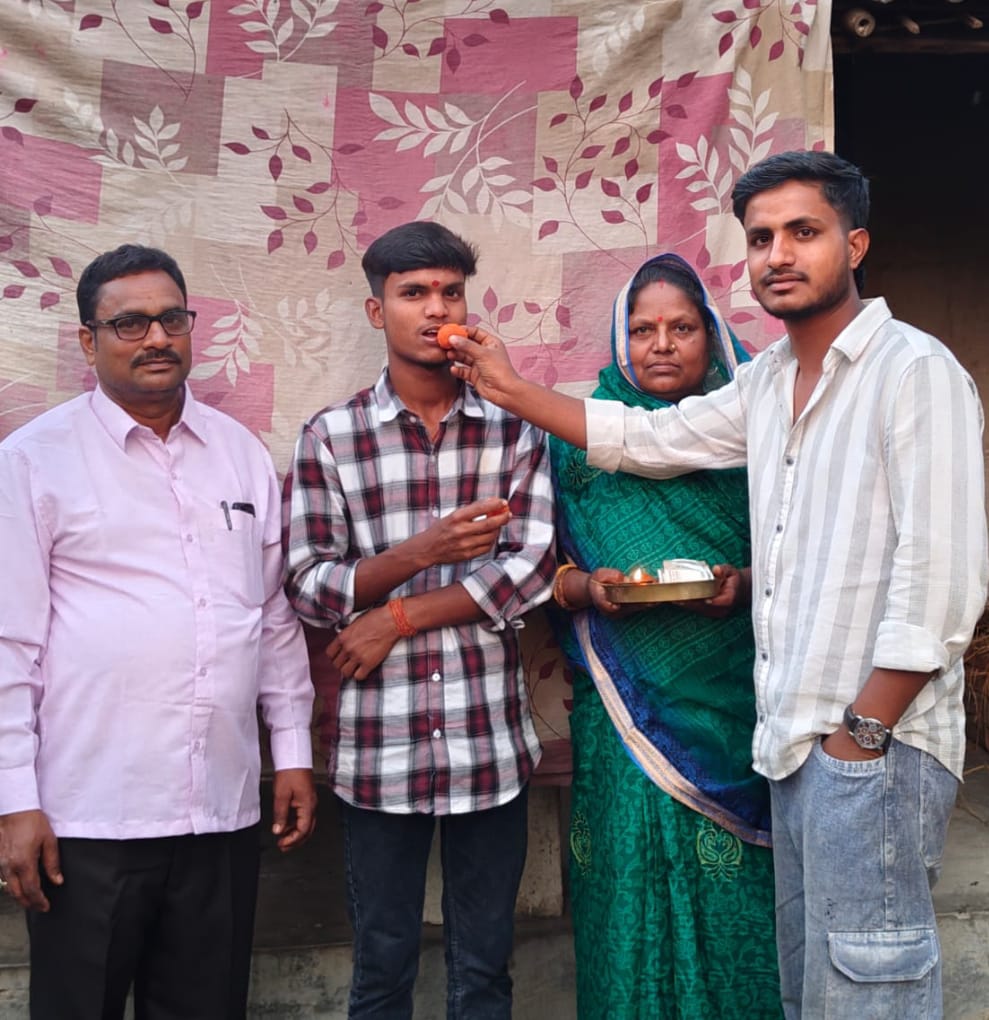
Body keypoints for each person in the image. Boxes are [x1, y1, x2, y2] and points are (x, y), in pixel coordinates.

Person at [446, 151, 988, 1019]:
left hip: (869, 749)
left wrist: (859, 736)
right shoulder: (766, 382)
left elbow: (943, 583)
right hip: (789, 746)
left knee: (870, 986)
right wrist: (509, 387)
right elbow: (648, 439)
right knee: (811, 987)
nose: (778, 254)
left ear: (854, 245)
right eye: (761, 237)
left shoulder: (911, 372)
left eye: (802, 232)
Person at [0, 244, 317, 1019]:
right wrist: (14, 800)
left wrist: (293, 753)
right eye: (130, 323)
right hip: (88, 817)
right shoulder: (33, 462)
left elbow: (271, 619)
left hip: (220, 810)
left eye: (172, 319)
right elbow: (9, 645)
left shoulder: (239, 455)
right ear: (89, 341)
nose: (156, 338)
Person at [281, 220, 555, 1019]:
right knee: (381, 972)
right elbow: (308, 585)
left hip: (488, 747)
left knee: (484, 975)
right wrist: (419, 552)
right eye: (413, 293)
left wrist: (397, 616)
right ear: (378, 311)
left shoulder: (513, 428)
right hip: (379, 753)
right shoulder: (331, 438)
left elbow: (532, 567)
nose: (436, 309)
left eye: (450, 292)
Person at [549, 252, 781, 1018]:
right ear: (621, 340)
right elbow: (537, 573)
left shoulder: (755, 434)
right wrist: (586, 588)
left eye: (681, 328)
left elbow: (801, 555)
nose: (660, 344)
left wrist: (739, 582)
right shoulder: (575, 446)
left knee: (733, 897)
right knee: (626, 890)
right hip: (622, 713)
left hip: (734, 705)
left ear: (710, 337)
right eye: (643, 329)